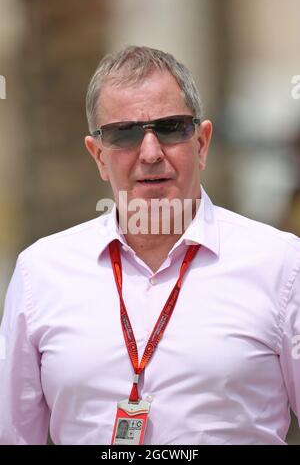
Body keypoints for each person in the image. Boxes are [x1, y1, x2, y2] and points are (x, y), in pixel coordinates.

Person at [0, 45, 299, 446]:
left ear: (202, 142)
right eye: (125, 134)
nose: (151, 153)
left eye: (172, 128)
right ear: (99, 156)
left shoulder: (281, 264)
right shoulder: (40, 272)